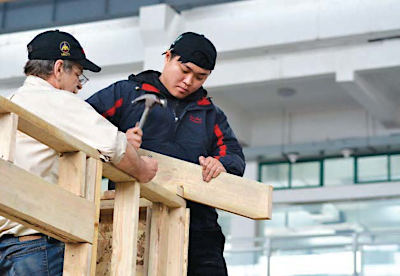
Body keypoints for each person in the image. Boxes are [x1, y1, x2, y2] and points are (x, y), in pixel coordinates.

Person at [0, 30, 158, 276]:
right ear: (59, 68)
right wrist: (142, 169)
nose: (79, 85)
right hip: (37, 246)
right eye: (77, 74)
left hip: (8, 247)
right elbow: (115, 148)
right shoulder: (57, 101)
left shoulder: (14, 102)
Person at [87, 32, 245, 275]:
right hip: (132, 217)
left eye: (200, 77)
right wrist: (117, 141)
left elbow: (234, 155)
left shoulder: (211, 115)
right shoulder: (126, 93)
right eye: (185, 70)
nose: (189, 81)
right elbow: (81, 127)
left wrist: (221, 163)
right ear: (168, 57)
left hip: (198, 227)